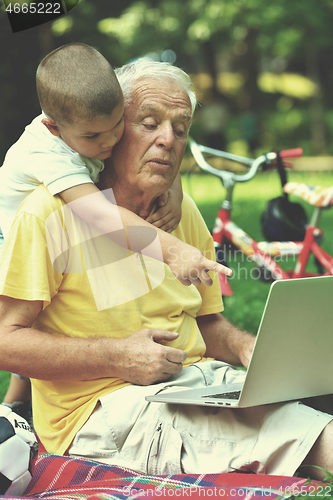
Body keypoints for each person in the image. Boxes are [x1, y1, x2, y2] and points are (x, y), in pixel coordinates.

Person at [0, 58, 332, 480]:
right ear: (117, 127)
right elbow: (5, 341)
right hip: (102, 411)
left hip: (197, 383)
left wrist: (248, 349)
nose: (167, 140)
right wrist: (116, 356)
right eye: (149, 123)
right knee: (309, 431)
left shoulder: (180, 211)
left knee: (319, 396)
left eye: (180, 128)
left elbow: (206, 324)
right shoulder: (49, 214)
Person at [0, 43, 231, 415]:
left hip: (186, 381)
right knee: (26, 318)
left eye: (180, 129)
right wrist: (173, 250)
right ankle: (14, 412)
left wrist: (172, 188)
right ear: (53, 127)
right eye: (148, 123)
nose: (107, 142)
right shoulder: (50, 164)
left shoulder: (87, 128)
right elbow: (102, 215)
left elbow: (162, 150)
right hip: (10, 238)